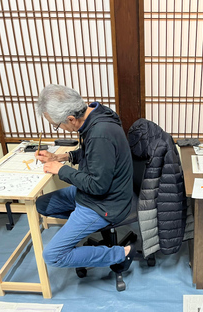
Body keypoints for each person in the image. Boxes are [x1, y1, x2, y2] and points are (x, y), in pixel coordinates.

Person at [34, 84, 136, 273]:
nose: (60, 129)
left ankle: (121, 253)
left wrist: (60, 169)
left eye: (57, 125)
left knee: (53, 256)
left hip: (104, 203)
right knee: (43, 205)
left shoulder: (100, 133)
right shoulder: (96, 113)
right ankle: (79, 226)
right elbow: (96, 155)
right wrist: (63, 157)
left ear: (71, 119)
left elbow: (98, 186)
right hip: (92, 194)